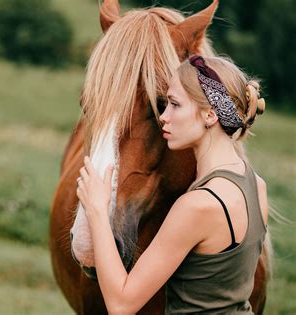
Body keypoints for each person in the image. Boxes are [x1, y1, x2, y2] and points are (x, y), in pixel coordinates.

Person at [76, 55, 268, 314]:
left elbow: (121, 304)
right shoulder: (256, 186)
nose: (163, 117)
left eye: (174, 105)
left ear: (210, 115)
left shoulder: (196, 206)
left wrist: (97, 210)